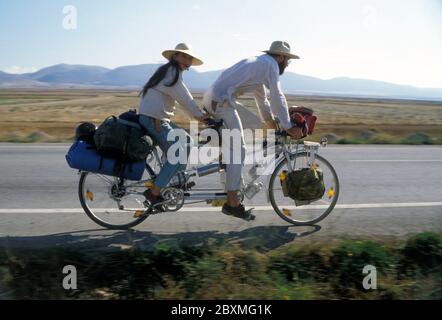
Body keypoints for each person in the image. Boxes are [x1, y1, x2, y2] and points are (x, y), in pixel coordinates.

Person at [203, 40, 304, 220]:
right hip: (221, 102)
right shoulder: (270, 65)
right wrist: (288, 126)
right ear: (280, 57)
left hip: (213, 97)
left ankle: (227, 173)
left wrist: (271, 121)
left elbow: (262, 99)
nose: (287, 64)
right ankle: (232, 203)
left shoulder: (261, 63)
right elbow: (277, 96)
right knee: (238, 151)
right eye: (287, 59)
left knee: (252, 126)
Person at [138, 43, 208, 210]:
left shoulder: (169, 72)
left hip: (158, 119)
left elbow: (182, 100)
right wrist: (201, 117)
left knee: (188, 141)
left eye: (189, 57)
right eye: (183, 56)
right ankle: (154, 193)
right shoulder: (172, 73)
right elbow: (185, 98)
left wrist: (200, 116)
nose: (187, 60)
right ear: (175, 57)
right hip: (154, 119)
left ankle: (177, 182)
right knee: (176, 154)